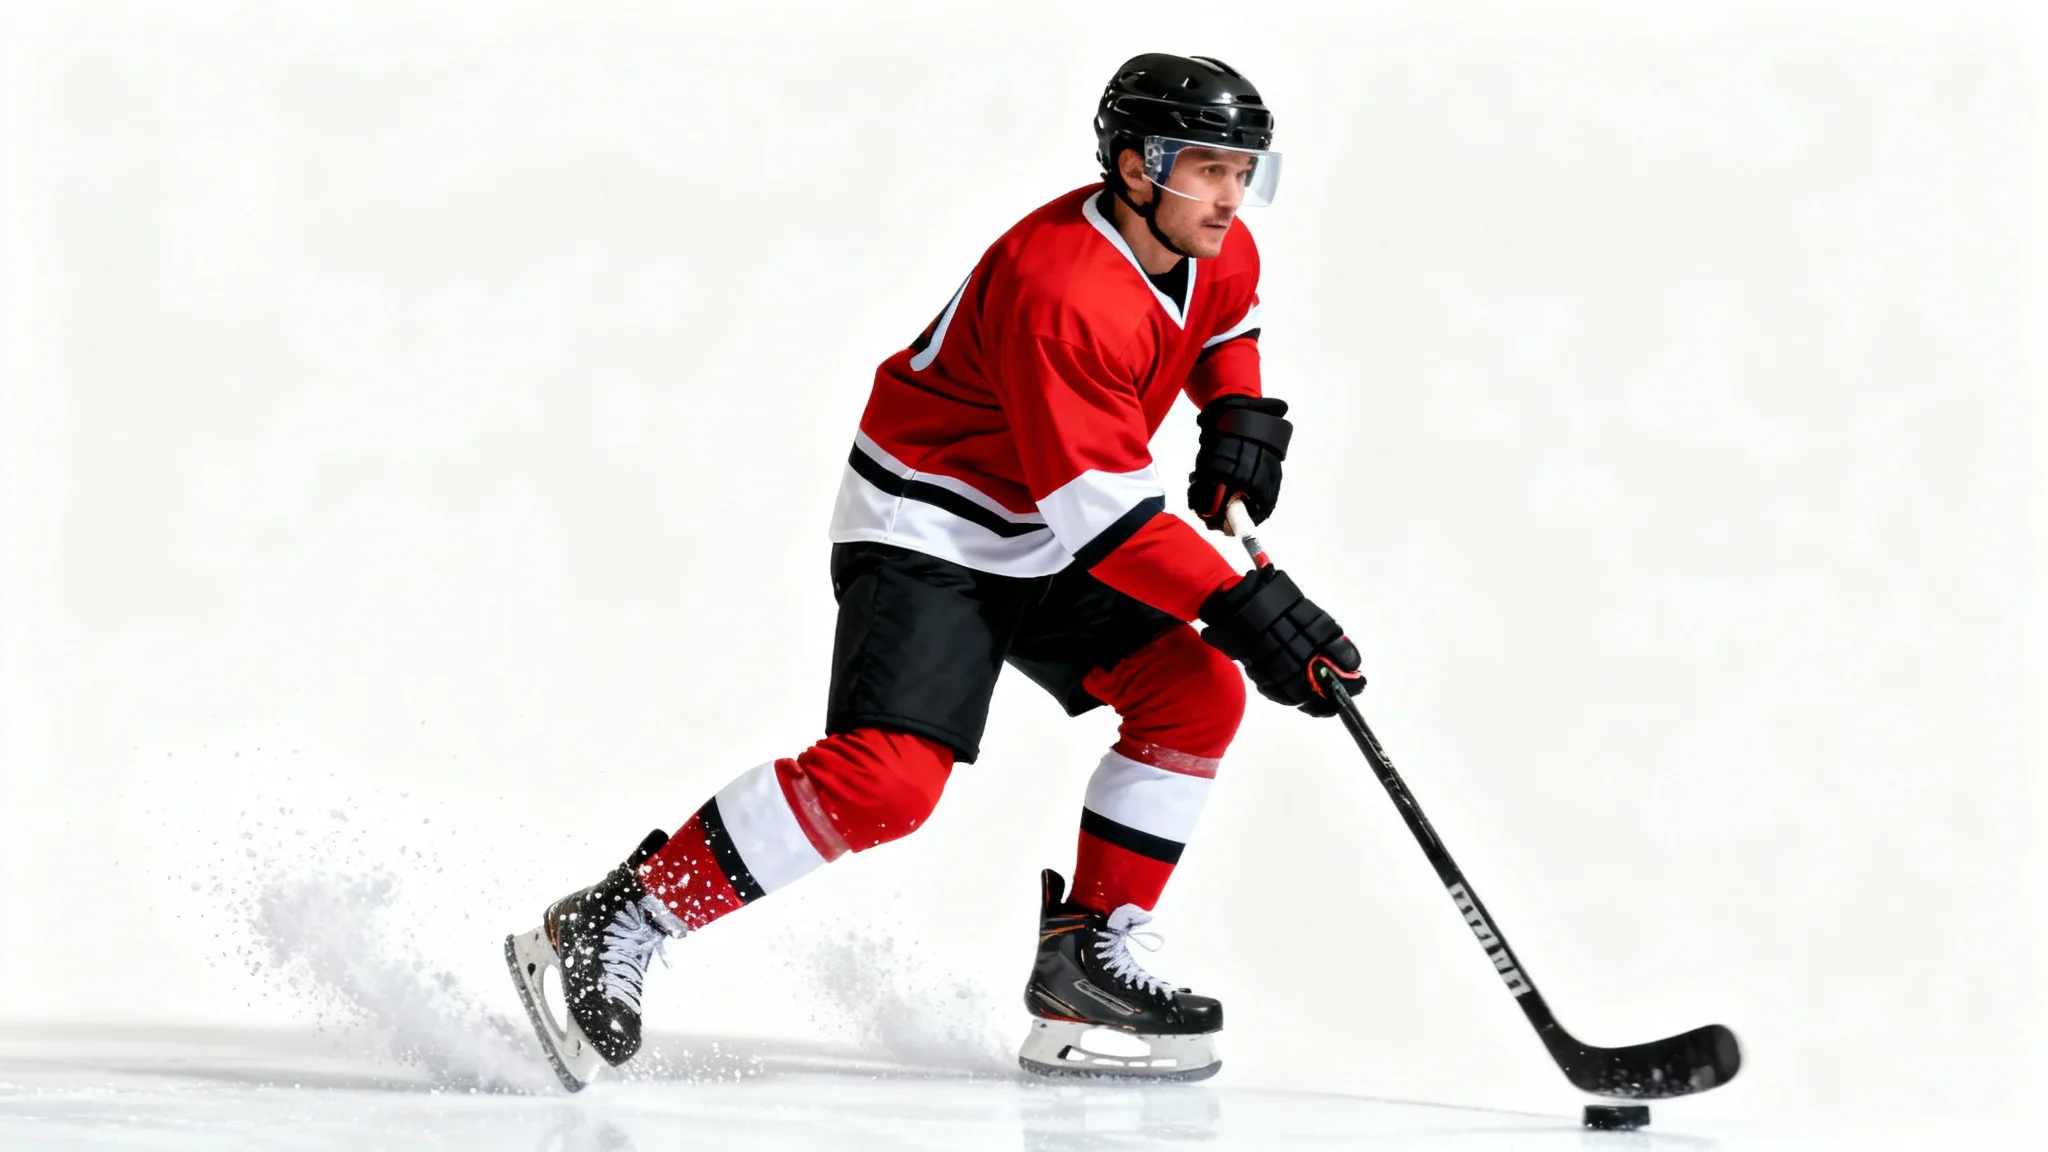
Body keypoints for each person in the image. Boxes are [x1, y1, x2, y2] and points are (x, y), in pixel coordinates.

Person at [505, 52, 1365, 1091]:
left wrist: (1233, 409)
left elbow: (1225, 320)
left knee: (1192, 693)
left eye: (1243, 170)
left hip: (1051, 529)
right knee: (885, 784)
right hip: (932, 529)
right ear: (1136, 170)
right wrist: (1246, 607)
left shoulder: (1211, 244)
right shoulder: (1064, 289)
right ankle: (617, 918)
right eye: (1208, 170)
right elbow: (1105, 520)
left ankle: (1079, 964)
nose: (1230, 197)